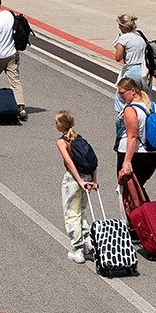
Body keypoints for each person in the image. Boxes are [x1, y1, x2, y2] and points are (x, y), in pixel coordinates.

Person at [56, 110, 98, 262]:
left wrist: (78, 180)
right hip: (87, 179)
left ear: (61, 125)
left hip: (73, 180)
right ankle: (88, 242)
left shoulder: (62, 142)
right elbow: (93, 161)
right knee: (81, 210)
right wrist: (93, 180)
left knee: (71, 213)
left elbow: (69, 162)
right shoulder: (81, 140)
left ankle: (78, 248)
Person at [114, 76, 156, 189]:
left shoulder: (130, 110)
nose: (120, 96)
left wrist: (127, 161)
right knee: (138, 191)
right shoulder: (152, 106)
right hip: (151, 154)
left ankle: (148, 208)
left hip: (134, 154)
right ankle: (148, 207)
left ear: (132, 91)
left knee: (128, 194)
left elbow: (132, 136)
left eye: (122, 93)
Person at [112, 13, 149, 148]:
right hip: (144, 71)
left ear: (122, 26)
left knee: (122, 98)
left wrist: (118, 43)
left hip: (131, 70)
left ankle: (124, 129)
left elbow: (118, 57)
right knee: (142, 98)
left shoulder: (124, 38)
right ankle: (143, 128)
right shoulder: (140, 36)